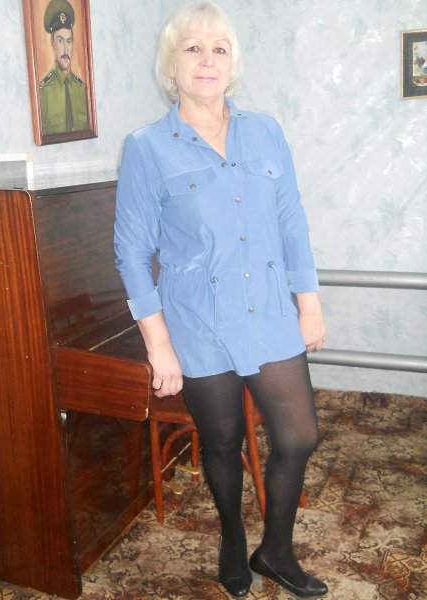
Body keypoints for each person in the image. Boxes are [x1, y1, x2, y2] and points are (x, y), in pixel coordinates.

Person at [114, 2, 328, 597]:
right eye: (192, 48)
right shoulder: (146, 147)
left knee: (299, 435)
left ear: (233, 65)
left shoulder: (266, 132)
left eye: (219, 49)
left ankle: (275, 550)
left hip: (269, 307)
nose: (206, 60)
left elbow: (291, 220)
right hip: (197, 320)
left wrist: (309, 301)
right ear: (172, 65)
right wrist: (159, 345)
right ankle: (233, 535)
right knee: (224, 440)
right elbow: (131, 252)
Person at [39, 0, 88, 135]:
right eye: (60, 40)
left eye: (69, 41)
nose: (66, 49)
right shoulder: (43, 92)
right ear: (52, 43)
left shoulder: (82, 90)